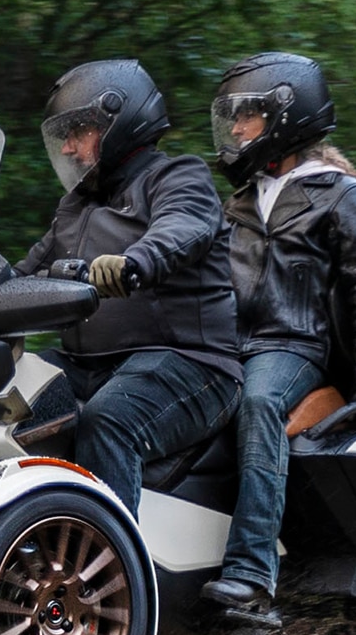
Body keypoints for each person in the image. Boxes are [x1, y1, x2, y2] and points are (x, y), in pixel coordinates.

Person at [200, 52, 356, 626]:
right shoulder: (238, 202)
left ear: (287, 117)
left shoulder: (340, 195)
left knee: (260, 403)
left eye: (248, 116)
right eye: (232, 117)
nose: (235, 130)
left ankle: (252, 575)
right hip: (227, 347)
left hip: (292, 347)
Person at [14, 59, 242, 515]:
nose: (70, 148)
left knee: (109, 420)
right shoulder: (74, 206)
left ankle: (115, 570)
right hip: (88, 364)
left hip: (191, 364)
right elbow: (23, 274)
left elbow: (183, 228)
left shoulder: (179, 177)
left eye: (80, 132)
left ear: (120, 122)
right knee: (8, 397)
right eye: (65, 138)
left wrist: (134, 262)